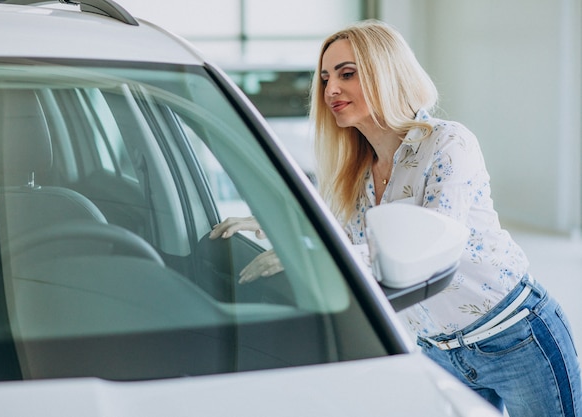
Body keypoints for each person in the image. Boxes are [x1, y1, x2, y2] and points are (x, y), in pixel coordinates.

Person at [211, 19, 581, 416]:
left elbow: (432, 250)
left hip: (516, 336)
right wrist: (281, 231)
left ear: (385, 73)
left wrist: (310, 255)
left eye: (347, 74)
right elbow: (343, 241)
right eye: (324, 78)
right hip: (438, 350)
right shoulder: (353, 173)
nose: (330, 89)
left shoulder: (448, 142)